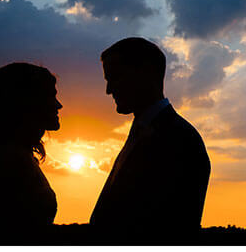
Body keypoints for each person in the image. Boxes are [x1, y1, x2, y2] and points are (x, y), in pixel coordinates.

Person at [90, 37, 211, 244]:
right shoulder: (145, 131)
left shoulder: (179, 139)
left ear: (146, 73)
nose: (108, 90)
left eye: (116, 77)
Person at [0, 62, 62, 230]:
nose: (58, 105)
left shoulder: (16, 156)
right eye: (51, 96)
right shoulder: (9, 161)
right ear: (27, 102)